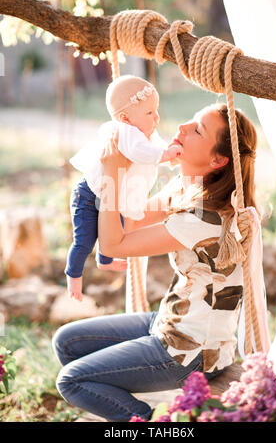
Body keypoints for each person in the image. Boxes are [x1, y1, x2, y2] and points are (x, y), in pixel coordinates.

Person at [52, 102, 260, 422]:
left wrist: (112, 173)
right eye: (190, 121)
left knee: (71, 380)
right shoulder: (188, 188)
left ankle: (149, 421)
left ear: (218, 160)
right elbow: (130, 220)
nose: (181, 129)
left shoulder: (206, 218)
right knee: (67, 342)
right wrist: (126, 160)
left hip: (188, 352)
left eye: (196, 130)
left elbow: (113, 242)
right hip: (170, 321)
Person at [65, 75, 183, 301]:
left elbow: (156, 147)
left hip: (113, 194)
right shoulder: (125, 131)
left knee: (114, 229)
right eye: (149, 113)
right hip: (88, 196)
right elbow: (140, 153)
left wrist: (169, 156)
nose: (156, 117)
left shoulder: (144, 132)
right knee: (85, 240)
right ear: (125, 117)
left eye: (156, 110)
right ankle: (73, 276)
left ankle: (105, 260)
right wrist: (165, 155)